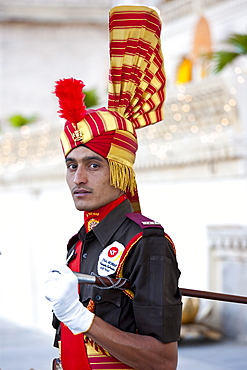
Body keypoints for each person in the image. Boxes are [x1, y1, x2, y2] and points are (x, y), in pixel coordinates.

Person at [45, 5, 182, 370]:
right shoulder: (81, 238)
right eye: (71, 165)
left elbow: (163, 361)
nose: (79, 178)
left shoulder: (147, 243)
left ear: (120, 169)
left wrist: (82, 317)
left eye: (93, 164)